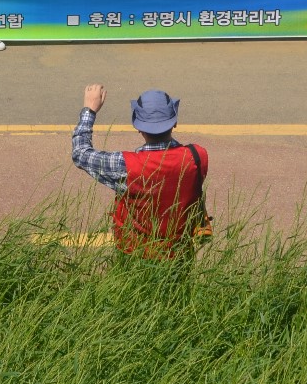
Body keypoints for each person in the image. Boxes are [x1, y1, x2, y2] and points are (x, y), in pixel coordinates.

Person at [70, 84, 209, 259]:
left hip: (135, 257)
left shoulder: (125, 166)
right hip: (180, 256)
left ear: (138, 127)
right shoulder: (197, 156)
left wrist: (89, 110)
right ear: (174, 122)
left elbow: (80, 154)